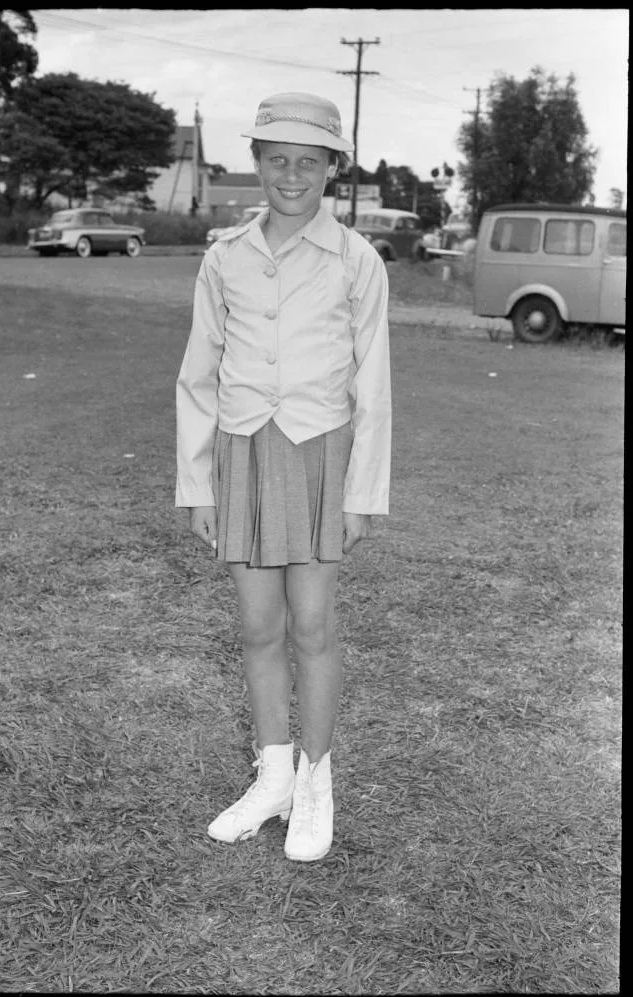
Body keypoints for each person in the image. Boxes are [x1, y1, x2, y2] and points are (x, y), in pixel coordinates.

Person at [176, 91, 391, 862]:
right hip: (242, 452)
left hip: (318, 455)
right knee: (259, 629)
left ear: (332, 168)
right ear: (257, 164)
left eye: (308, 161)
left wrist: (360, 495)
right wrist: (196, 481)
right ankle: (270, 777)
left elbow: (373, 386)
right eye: (276, 160)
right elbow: (198, 375)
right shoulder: (223, 255)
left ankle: (313, 783)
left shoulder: (356, 260)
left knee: (312, 627)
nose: (291, 174)